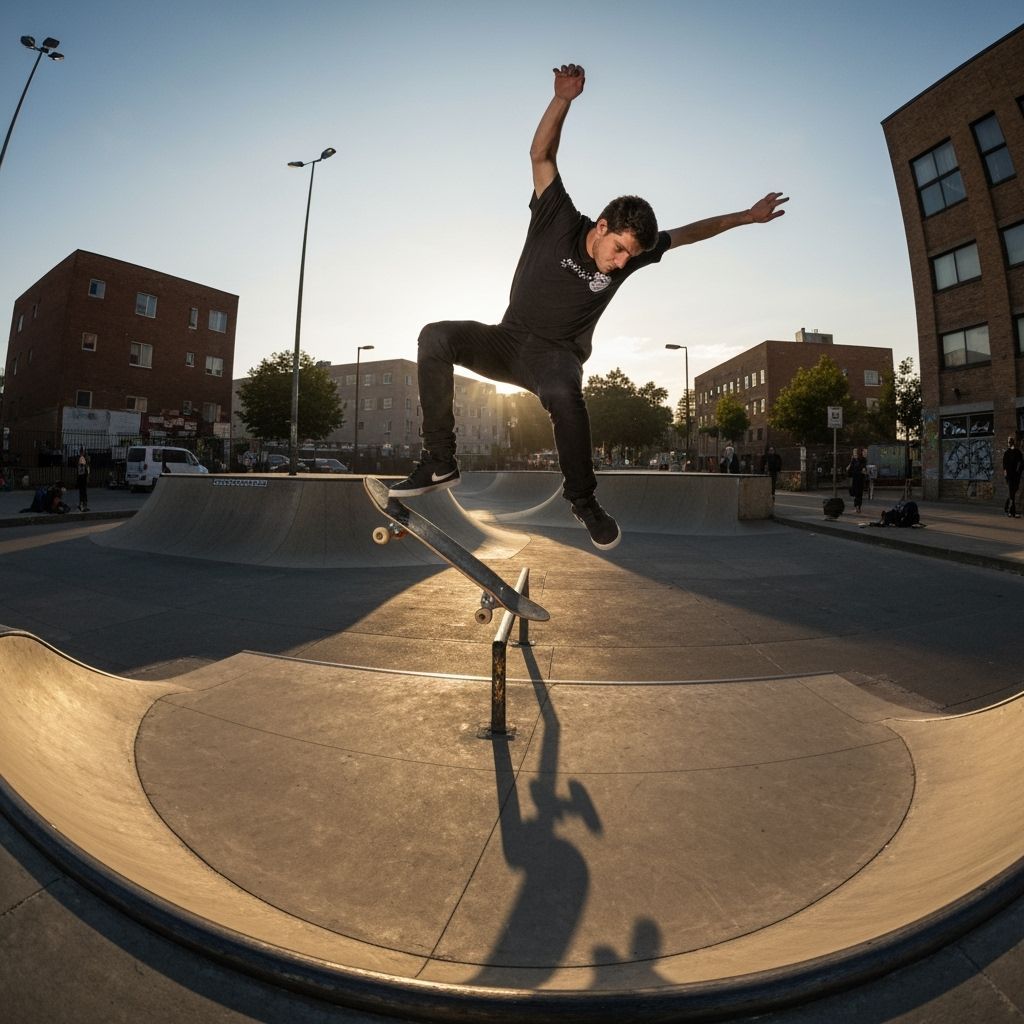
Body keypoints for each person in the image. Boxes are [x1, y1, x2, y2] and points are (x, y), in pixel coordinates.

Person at [389, 63, 788, 549]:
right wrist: (563, 100)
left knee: (565, 396)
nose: (620, 263)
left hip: (555, 356)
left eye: (631, 257)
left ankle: (583, 501)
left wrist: (746, 217)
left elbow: (687, 234)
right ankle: (440, 459)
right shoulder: (559, 216)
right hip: (506, 339)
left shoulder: (631, 257)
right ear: (601, 226)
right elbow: (541, 154)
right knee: (436, 336)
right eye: (619, 249)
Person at [1003, 435, 1023, 518]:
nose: (1010, 443)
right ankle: (1012, 512)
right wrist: (1006, 477)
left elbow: (1021, 463)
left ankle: (1006, 508)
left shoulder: (1018, 452)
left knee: (1012, 493)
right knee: (1012, 494)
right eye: (1009, 442)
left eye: (1011, 441)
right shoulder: (1006, 453)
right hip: (1010, 477)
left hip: (1016, 476)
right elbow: (1004, 466)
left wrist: (1019, 473)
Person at [847, 447, 867, 513]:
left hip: (858, 478)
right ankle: (857, 506)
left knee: (858, 494)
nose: (854, 454)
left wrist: (864, 471)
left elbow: (863, 468)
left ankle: (857, 507)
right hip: (856, 478)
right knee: (857, 494)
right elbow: (848, 469)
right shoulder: (854, 460)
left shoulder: (861, 460)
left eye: (855, 453)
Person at [76, 446, 90, 512]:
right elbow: (83, 468)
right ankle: (83, 506)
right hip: (82, 477)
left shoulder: (82, 458)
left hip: (82, 477)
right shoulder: (82, 458)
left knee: (82, 492)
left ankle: (82, 505)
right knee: (83, 492)